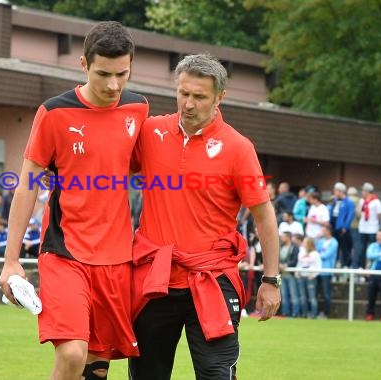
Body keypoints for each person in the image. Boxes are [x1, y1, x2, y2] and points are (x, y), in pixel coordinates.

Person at [0, 21, 149, 380]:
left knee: (96, 369)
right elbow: (27, 186)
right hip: (65, 254)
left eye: (122, 74)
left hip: (117, 260)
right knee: (71, 353)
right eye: (103, 74)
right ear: (83, 64)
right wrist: (10, 261)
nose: (113, 85)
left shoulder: (138, 109)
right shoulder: (54, 113)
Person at [129, 54, 280, 380]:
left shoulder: (238, 147)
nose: (189, 103)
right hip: (156, 278)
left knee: (217, 374)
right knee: (146, 375)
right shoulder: (150, 132)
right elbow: (106, 163)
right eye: (183, 93)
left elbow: (264, 217)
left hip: (212, 278)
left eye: (199, 96)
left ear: (219, 97)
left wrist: (270, 280)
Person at [356, 182, 381, 269]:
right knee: (362, 249)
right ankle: (361, 267)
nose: (362, 192)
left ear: (367, 191)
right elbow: (358, 214)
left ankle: (371, 266)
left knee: (372, 249)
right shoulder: (361, 201)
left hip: (373, 228)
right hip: (363, 228)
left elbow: (380, 215)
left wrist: (377, 224)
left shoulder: (376, 201)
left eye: (363, 190)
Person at [328, 182, 354, 269]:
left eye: (335, 191)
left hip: (342, 228)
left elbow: (350, 215)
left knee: (345, 248)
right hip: (333, 227)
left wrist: (345, 227)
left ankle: (346, 265)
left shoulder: (349, 202)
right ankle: (334, 266)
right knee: (335, 247)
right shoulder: (335, 201)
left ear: (340, 191)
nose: (334, 193)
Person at [295, 237, 322, 318]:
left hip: (311, 278)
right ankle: (304, 314)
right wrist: (297, 272)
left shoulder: (315, 254)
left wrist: (314, 275)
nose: (303, 243)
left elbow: (319, 267)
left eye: (305, 242)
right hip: (302, 276)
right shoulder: (301, 253)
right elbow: (299, 264)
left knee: (312, 297)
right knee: (302, 297)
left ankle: (313, 314)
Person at [316, 225, 338, 319]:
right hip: (317, 269)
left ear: (329, 231)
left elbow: (326, 255)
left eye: (324, 230)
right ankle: (316, 312)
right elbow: (315, 251)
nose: (322, 232)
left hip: (326, 270)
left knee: (326, 293)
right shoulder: (320, 241)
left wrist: (316, 256)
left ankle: (326, 313)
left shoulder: (334, 242)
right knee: (317, 292)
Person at [279, 231, 299, 317]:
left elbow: (295, 260)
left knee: (293, 295)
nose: (282, 238)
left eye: (283, 236)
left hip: (290, 274)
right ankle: (285, 312)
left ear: (288, 237)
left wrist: (286, 265)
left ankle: (295, 313)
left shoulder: (294, 247)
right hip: (282, 274)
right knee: (284, 295)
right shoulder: (281, 247)